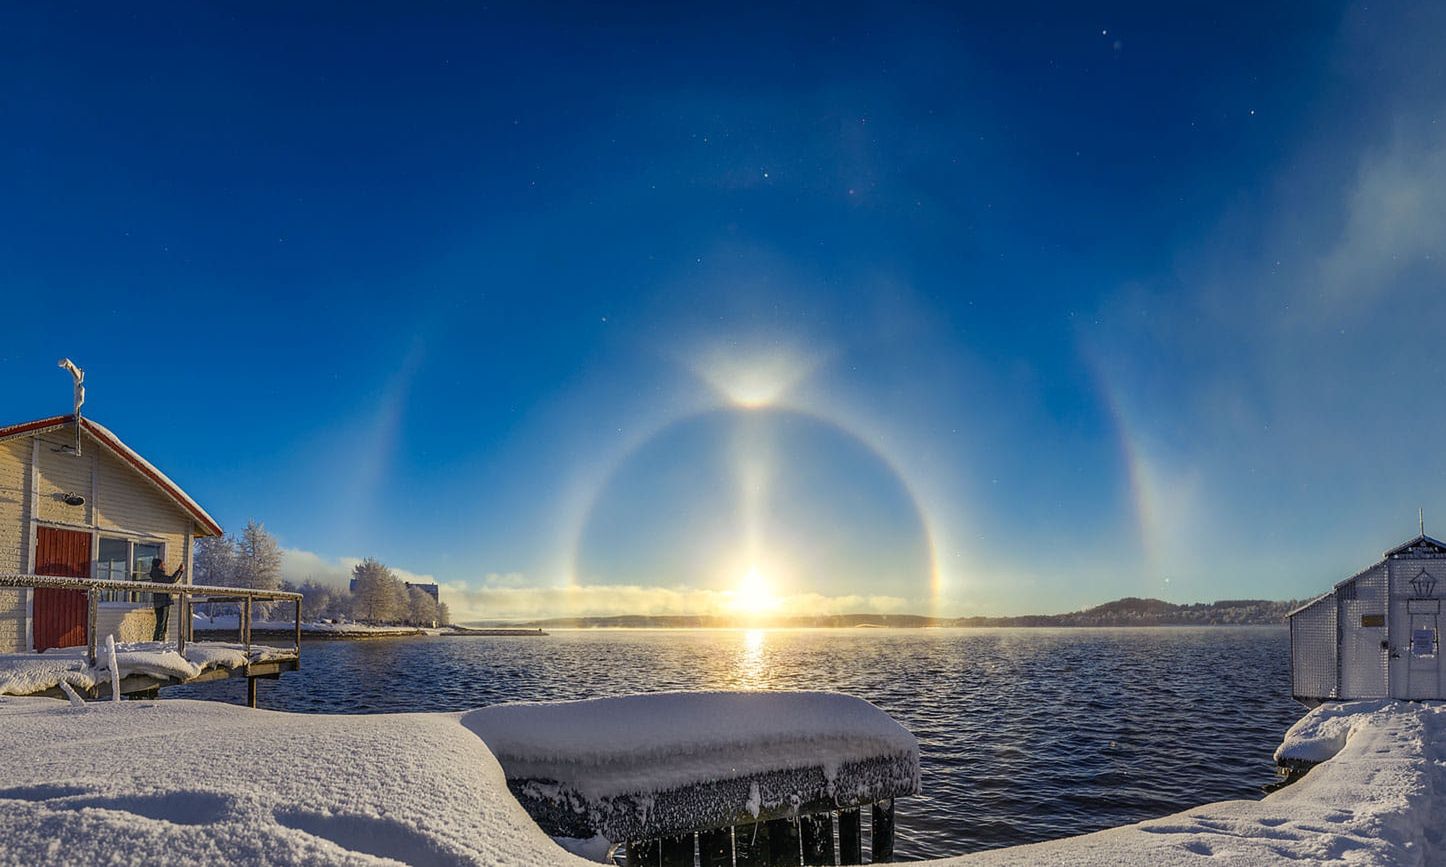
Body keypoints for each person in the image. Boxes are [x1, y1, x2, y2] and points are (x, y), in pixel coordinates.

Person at [149, 558, 185, 643]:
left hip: (162, 601)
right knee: (161, 624)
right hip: (162, 602)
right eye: (163, 564)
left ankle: (160, 640)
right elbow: (172, 580)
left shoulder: (157, 575)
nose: (164, 566)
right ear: (158, 566)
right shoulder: (158, 575)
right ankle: (158, 641)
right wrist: (179, 571)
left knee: (162, 623)